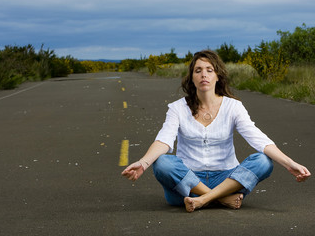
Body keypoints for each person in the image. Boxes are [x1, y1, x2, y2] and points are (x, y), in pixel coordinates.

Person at [121, 50, 311, 212]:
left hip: (226, 178)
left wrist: (289, 163)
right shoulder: (178, 108)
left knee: (263, 161)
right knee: (161, 162)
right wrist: (143, 163)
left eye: (209, 70)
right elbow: (164, 141)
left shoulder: (233, 107)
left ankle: (202, 199)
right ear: (192, 78)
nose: (204, 74)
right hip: (189, 180)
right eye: (198, 70)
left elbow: (258, 139)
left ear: (217, 76)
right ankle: (219, 198)